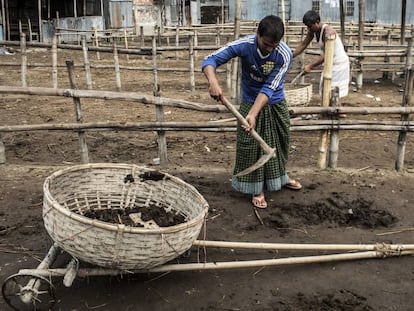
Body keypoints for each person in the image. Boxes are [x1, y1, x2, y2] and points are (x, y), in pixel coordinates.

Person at [201, 15, 302, 209]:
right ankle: (257, 189)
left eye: (274, 45)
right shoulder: (245, 45)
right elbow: (210, 60)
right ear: (258, 33)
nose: (270, 49)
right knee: (250, 147)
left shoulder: (284, 54)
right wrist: (213, 82)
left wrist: (254, 114)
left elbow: (269, 87)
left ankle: (281, 178)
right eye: (266, 44)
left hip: (274, 102)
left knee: (280, 143)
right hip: (249, 100)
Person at [292, 10, 350, 98]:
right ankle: (326, 109)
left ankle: (334, 109)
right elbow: (303, 45)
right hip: (329, 64)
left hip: (338, 63)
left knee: (334, 93)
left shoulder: (328, 32)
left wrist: (310, 66)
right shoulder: (313, 31)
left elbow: (327, 54)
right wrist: (290, 56)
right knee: (325, 91)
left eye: (310, 26)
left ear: (317, 22)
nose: (309, 29)